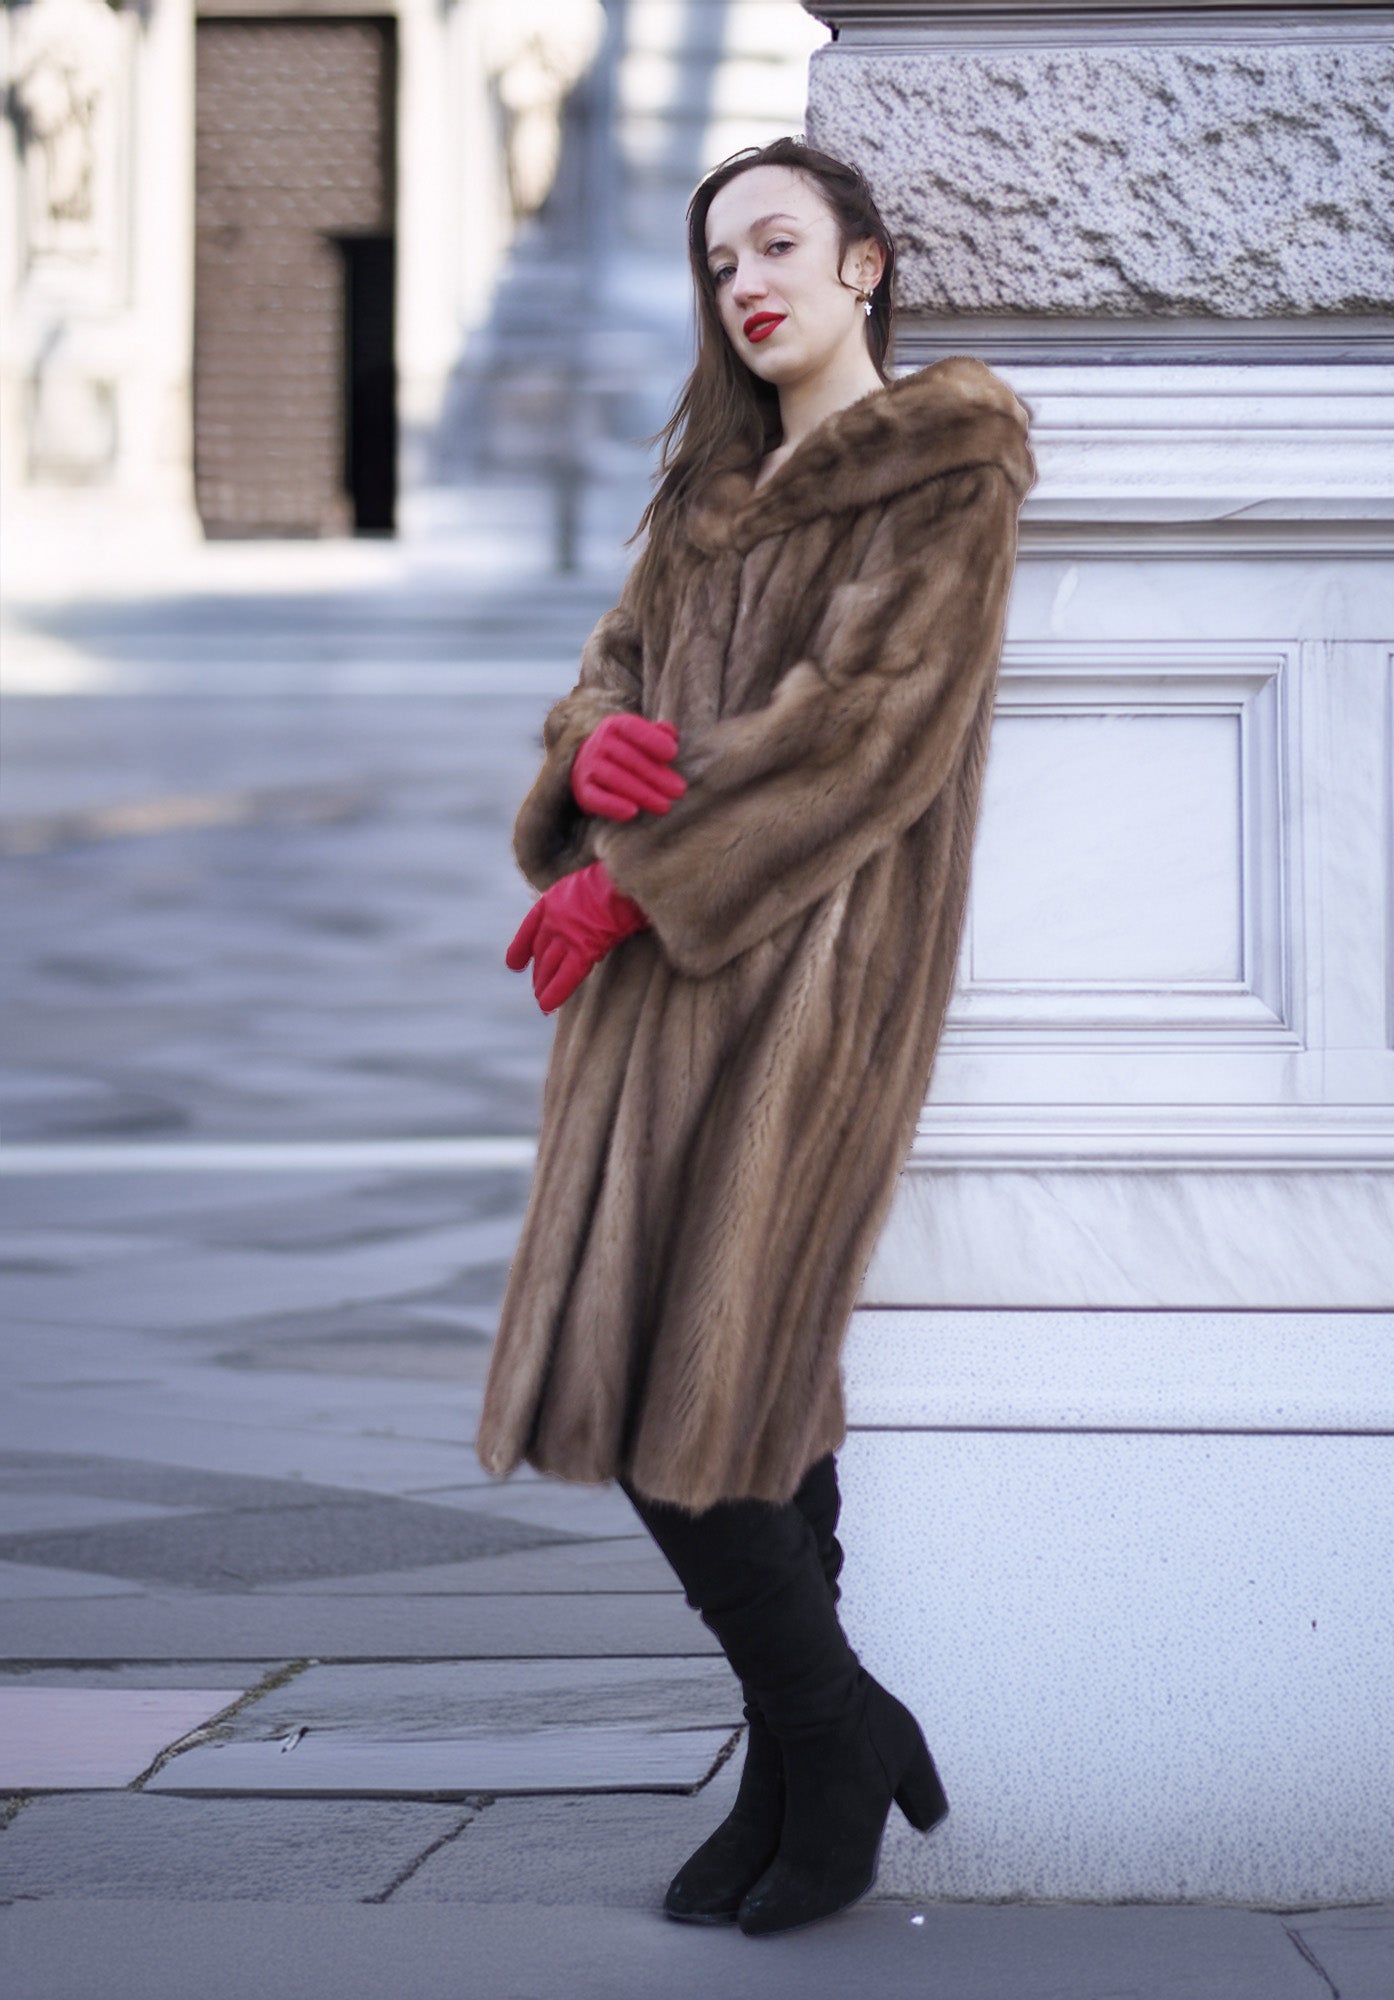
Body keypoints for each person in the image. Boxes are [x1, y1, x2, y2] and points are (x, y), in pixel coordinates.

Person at [477, 135, 1036, 1936]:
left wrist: (627, 865)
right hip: (656, 1004)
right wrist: (590, 755)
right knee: (750, 1412)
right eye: (722, 263)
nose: (749, 284)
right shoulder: (708, 491)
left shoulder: (943, 465)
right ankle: (808, 1759)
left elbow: (868, 732)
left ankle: (833, 1731)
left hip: (807, 988)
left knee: (697, 1408)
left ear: (866, 262)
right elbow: (610, 670)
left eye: (780, 245)